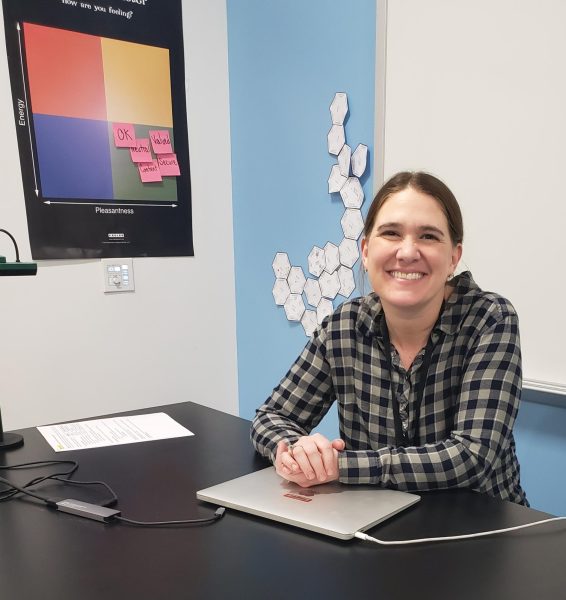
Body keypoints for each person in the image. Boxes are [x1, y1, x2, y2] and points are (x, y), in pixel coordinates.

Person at [251, 171, 528, 505]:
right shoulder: (343, 327)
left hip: (482, 532)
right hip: (376, 524)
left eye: (428, 236)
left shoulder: (490, 319)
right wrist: (298, 451)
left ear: (454, 257)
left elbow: (472, 456)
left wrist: (341, 465)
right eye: (391, 233)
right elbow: (272, 417)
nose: (407, 252)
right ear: (366, 251)